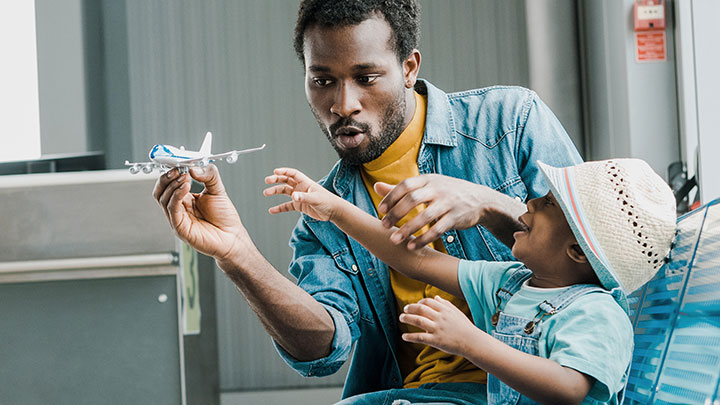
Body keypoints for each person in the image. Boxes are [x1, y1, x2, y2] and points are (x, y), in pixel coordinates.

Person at [153, 0, 581, 402]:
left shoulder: (509, 123)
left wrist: (487, 205)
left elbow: (601, 267)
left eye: (366, 78)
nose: (343, 104)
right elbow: (322, 351)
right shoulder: (323, 214)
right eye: (323, 81)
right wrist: (237, 254)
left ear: (409, 68)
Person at [263, 158, 677, 404]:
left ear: (576, 252)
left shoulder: (598, 312)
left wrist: (469, 342)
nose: (529, 202)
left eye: (548, 203)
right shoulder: (513, 283)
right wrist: (334, 209)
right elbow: (417, 262)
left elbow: (569, 388)